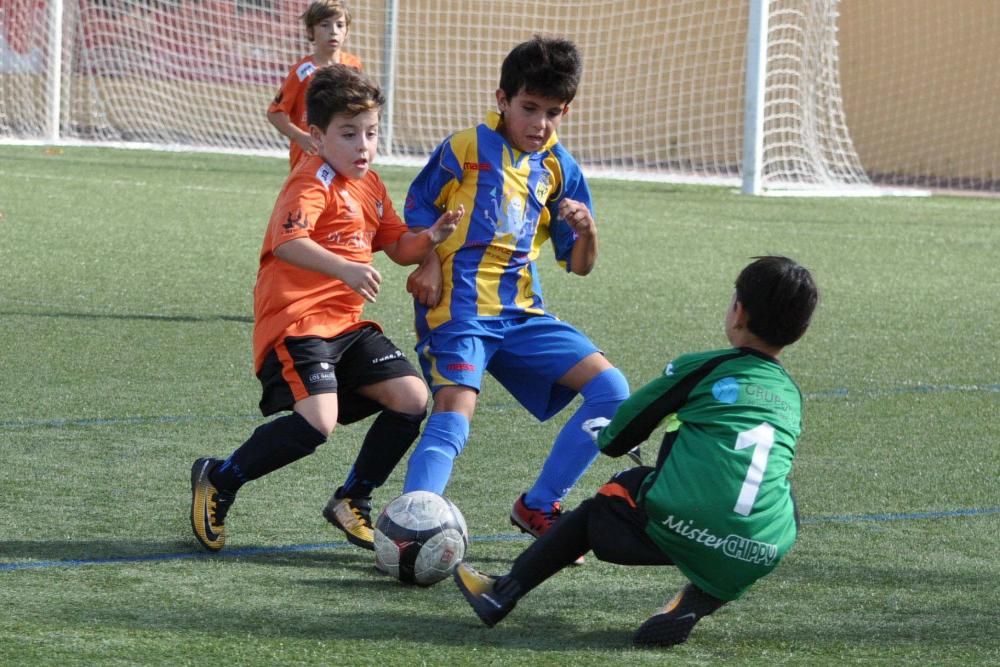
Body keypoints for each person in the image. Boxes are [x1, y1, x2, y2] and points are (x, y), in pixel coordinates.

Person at [454, 255, 819, 648]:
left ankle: (500, 592)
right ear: (799, 330)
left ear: (739, 312)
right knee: (783, 503)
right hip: (757, 549)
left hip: (680, 524)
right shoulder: (791, 396)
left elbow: (616, 441)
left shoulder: (702, 368)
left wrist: (607, 433)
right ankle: (697, 601)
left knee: (617, 493)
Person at [191, 65, 463, 553]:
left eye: (372, 133)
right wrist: (346, 269)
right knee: (315, 425)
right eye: (349, 134)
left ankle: (352, 498)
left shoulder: (371, 185)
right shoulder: (310, 183)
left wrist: (431, 239)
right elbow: (288, 242)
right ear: (316, 137)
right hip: (298, 322)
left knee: (412, 398)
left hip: (348, 326)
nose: (363, 145)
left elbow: (398, 245)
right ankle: (220, 478)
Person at [400, 35, 631, 551]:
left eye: (552, 112)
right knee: (455, 412)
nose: (539, 123)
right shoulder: (464, 147)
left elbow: (578, 264)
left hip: (523, 313)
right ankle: (411, 531)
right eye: (529, 108)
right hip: (458, 311)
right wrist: (429, 261)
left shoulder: (559, 168)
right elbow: (415, 213)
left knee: (613, 392)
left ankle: (539, 504)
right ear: (502, 99)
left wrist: (589, 231)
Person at [267, 0, 362, 170]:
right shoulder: (302, 72)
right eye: (325, 25)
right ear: (311, 31)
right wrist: (299, 136)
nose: (333, 31)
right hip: (308, 158)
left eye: (340, 25)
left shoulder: (353, 66)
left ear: (346, 31)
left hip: (342, 156)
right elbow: (274, 114)